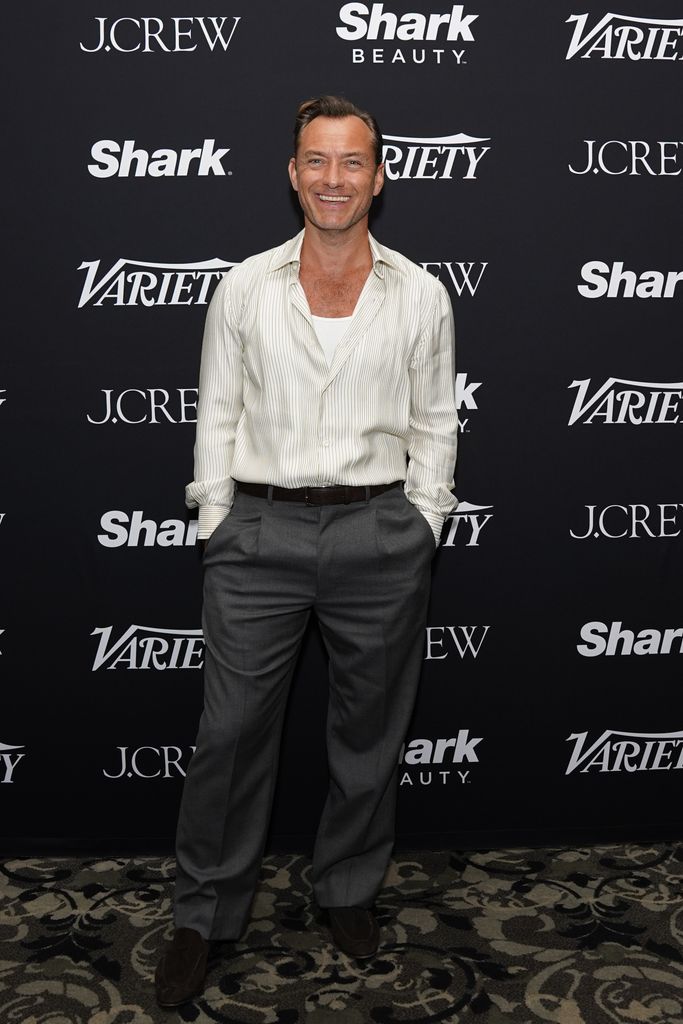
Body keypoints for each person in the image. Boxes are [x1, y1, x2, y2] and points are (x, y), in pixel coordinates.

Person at [155, 94, 458, 1008]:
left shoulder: (419, 292)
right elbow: (216, 411)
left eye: (352, 162)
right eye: (317, 161)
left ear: (378, 176)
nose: (334, 179)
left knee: (368, 737)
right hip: (258, 533)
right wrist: (217, 520)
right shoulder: (244, 285)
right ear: (293, 173)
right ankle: (203, 913)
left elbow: (434, 421)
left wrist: (422, 517)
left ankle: (349, 890)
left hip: (379, 534)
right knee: (230, 737)